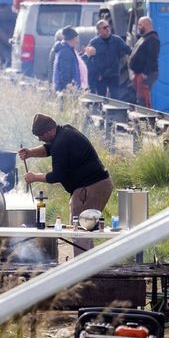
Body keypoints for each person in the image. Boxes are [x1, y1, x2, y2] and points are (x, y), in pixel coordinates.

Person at [18, 113, 113, 256]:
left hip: (90, 188)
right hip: (99, 184)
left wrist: (34, 177)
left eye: (41, 135)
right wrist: (30, 153)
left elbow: (57, 175)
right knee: (84, 230)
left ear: (50, 130)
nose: (39, 139)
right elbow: (49, 148)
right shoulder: (65, 132)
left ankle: (82, 272)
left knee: (79, 231)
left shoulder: (61, 143)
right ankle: (90, 269)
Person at [85, 19, 132, 101]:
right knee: (101, 98)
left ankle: (116, 113)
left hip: (114, 75)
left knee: (116, 98)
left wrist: (139, 52)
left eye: (108, 26)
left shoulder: (117, 40)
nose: (107, 29)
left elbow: (128, 50)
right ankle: (101, 113)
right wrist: (96, 74)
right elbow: (89, 60)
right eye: (104, 27)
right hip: (101, 76)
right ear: (99, 30)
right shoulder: (94, 42)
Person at [128, 16, 161, 108]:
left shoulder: (153, 39)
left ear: (147, 25)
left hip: (146, 73)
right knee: (140, 96)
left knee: (144, 97)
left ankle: (146, 118)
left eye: (140, 25)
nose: (138, 27)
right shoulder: (144, 38)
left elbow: (152, 57)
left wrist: (145, 73)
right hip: (139, 73)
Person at [52, 26, 82, 92]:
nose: (78, 41)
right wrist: (68, 87)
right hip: (66, 90)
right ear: (72, 39)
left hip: (68, 88)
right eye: (77, 38)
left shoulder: (68, 50)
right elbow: (65, 72)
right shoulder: (65, 52)